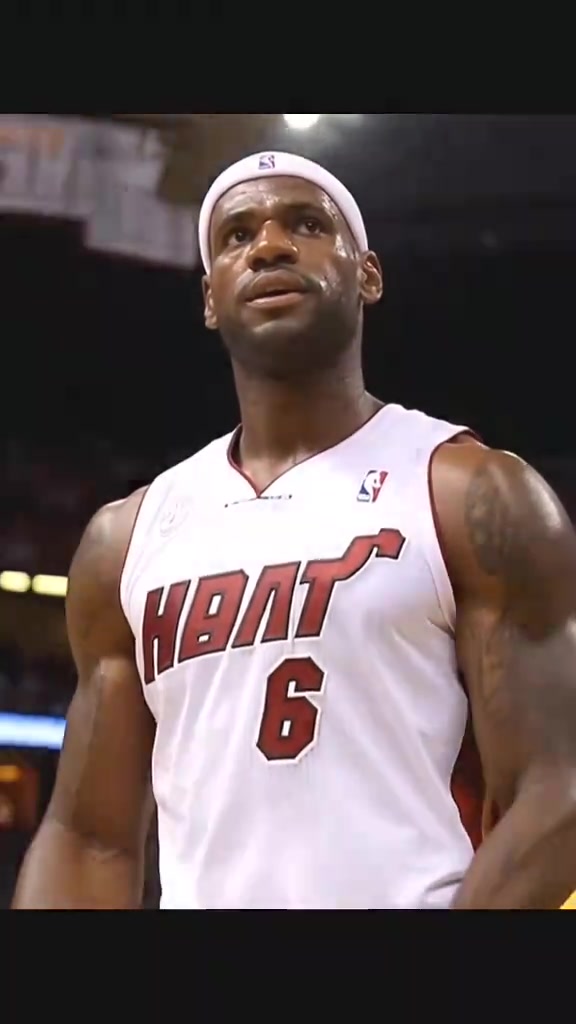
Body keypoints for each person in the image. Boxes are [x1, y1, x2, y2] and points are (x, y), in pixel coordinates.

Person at [13, 151, 576, 910]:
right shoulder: (128, 538)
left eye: (307, 225)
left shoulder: (469, 493)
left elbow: (558, 790)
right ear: (210, 297)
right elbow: (88, 837)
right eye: (237, 235)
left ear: (368, 275)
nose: (269, 246)